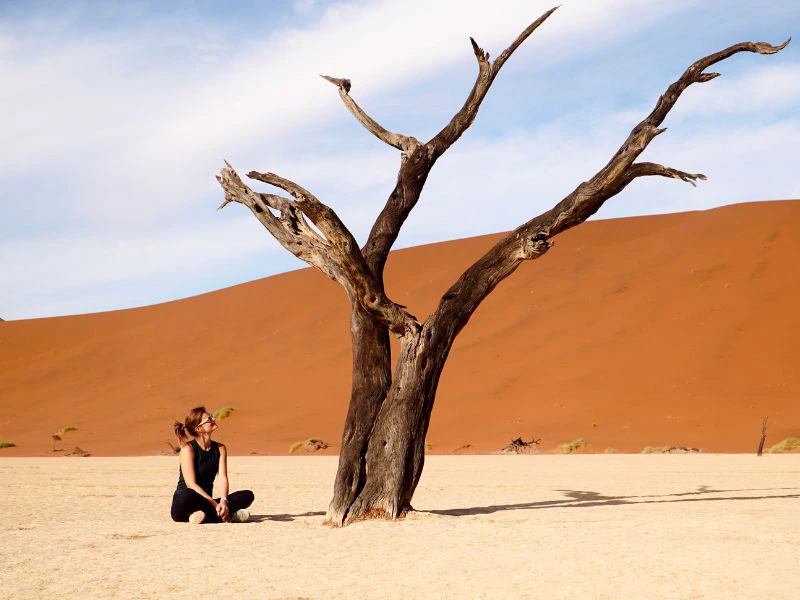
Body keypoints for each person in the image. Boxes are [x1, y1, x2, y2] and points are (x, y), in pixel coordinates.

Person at [170, 406, 254, 524]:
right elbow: (191, 484)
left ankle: (205, 516)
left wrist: (224, 501)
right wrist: (215, 504)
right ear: (199, 428)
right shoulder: (188, 449)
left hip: (206, 502)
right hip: (187, 502)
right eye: (209, 418)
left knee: (247, 496)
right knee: (187, 495)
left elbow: (223, 477)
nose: (213, 418)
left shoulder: (220, 448)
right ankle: (228, 516)